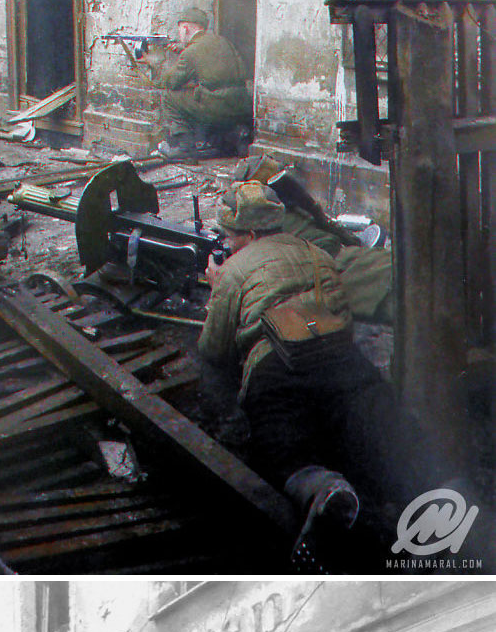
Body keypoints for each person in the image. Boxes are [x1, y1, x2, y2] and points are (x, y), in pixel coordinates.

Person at [198, 179, 470, 558]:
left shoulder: (234, 269)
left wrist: (217, 290)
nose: (226, 245)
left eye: (230, 237)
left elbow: (213, 347)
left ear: (251, 233)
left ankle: (324, 489)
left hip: (275, 366)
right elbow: (343, 316)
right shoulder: (318, 255)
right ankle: (443, 489)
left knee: (281, 441)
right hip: (341, 359)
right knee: (381, 424)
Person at [155, 6, 253, 158]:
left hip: (218, 107)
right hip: (241, 105)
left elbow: (172, 82)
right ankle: (229, 139)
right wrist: (184, 51)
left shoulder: (191, 52)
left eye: (180, 30)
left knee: (170, 97)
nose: (179, 35)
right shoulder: (223, 41)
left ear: (186, 28)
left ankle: (184, 148)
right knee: (208, 92)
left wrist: (155, 63)